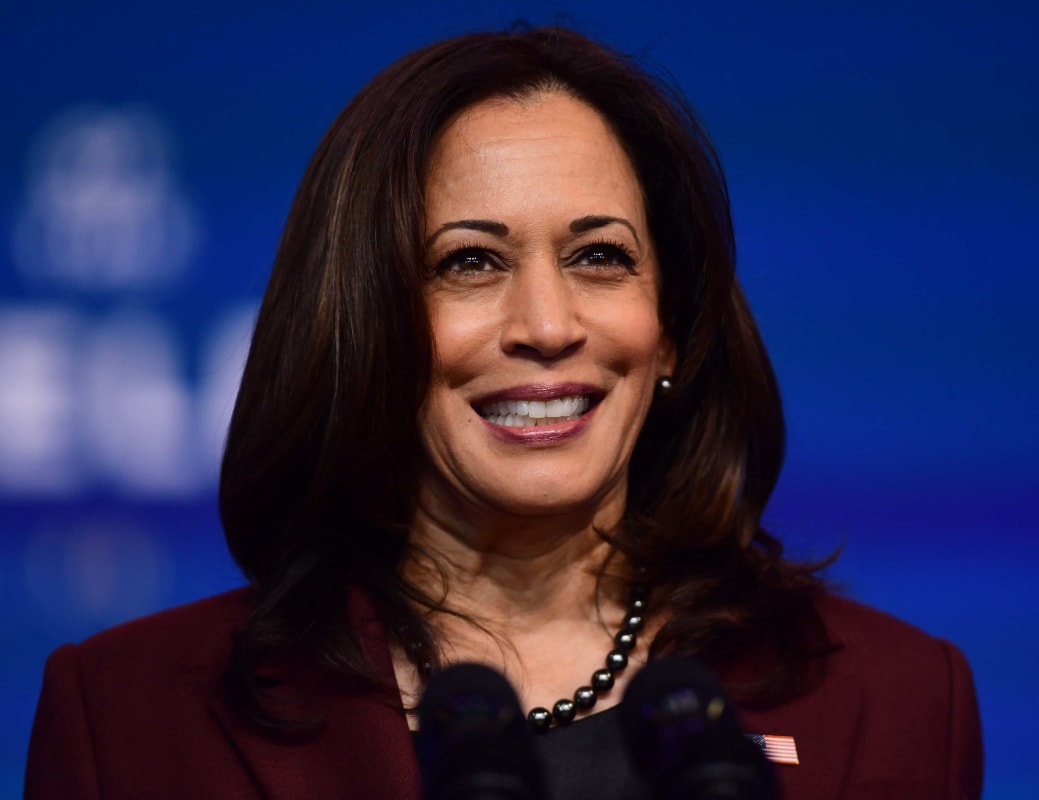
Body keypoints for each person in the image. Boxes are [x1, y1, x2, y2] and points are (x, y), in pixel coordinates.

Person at [25, 25, 983, 800]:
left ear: (671, 332)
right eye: (470, 263)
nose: (547, 326)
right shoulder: (129, 712)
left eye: (599, 257)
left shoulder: (893, 701)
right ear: (366, 329)